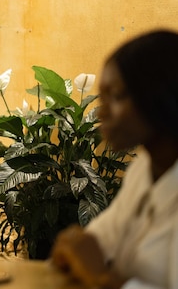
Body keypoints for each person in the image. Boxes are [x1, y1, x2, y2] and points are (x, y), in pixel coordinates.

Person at [51, 29, 178, 289]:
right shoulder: (144, 169)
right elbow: (99, 240)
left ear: (160, 97)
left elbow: (95, 265)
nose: (102, 112)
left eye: (117, 96)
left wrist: (102, 278)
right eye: (102, 96)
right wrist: (76, 246)